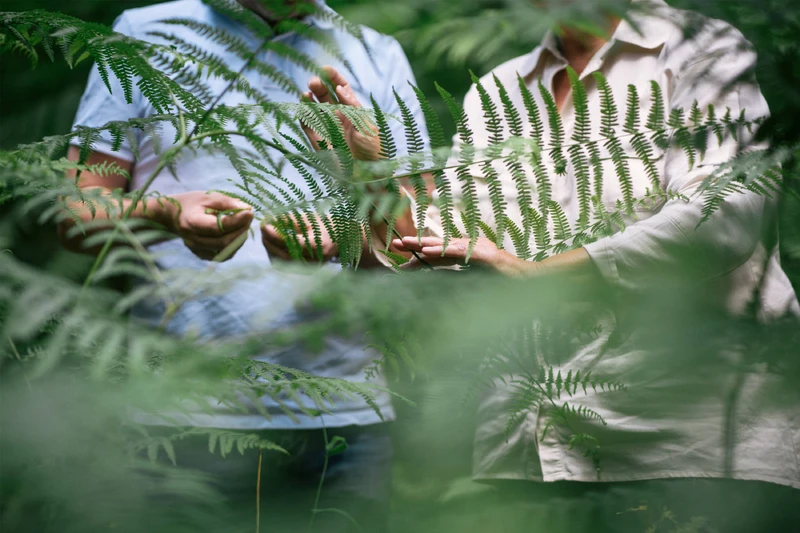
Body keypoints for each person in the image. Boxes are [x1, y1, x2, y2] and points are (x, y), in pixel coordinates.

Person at [301, 0, 800, 530]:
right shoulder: (497, 90)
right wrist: (370, 175)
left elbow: (724, 220)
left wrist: (540, 272)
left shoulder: (700, 50)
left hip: (687, 443)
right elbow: (440, 246)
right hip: (533, 455)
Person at [60, 0, 424, 531]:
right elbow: (75, 216)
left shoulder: (377, 54)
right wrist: (165, 211)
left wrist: (348, 229)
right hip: (181, 416)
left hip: (346, 421)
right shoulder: (144, 33)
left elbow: (414, 249)